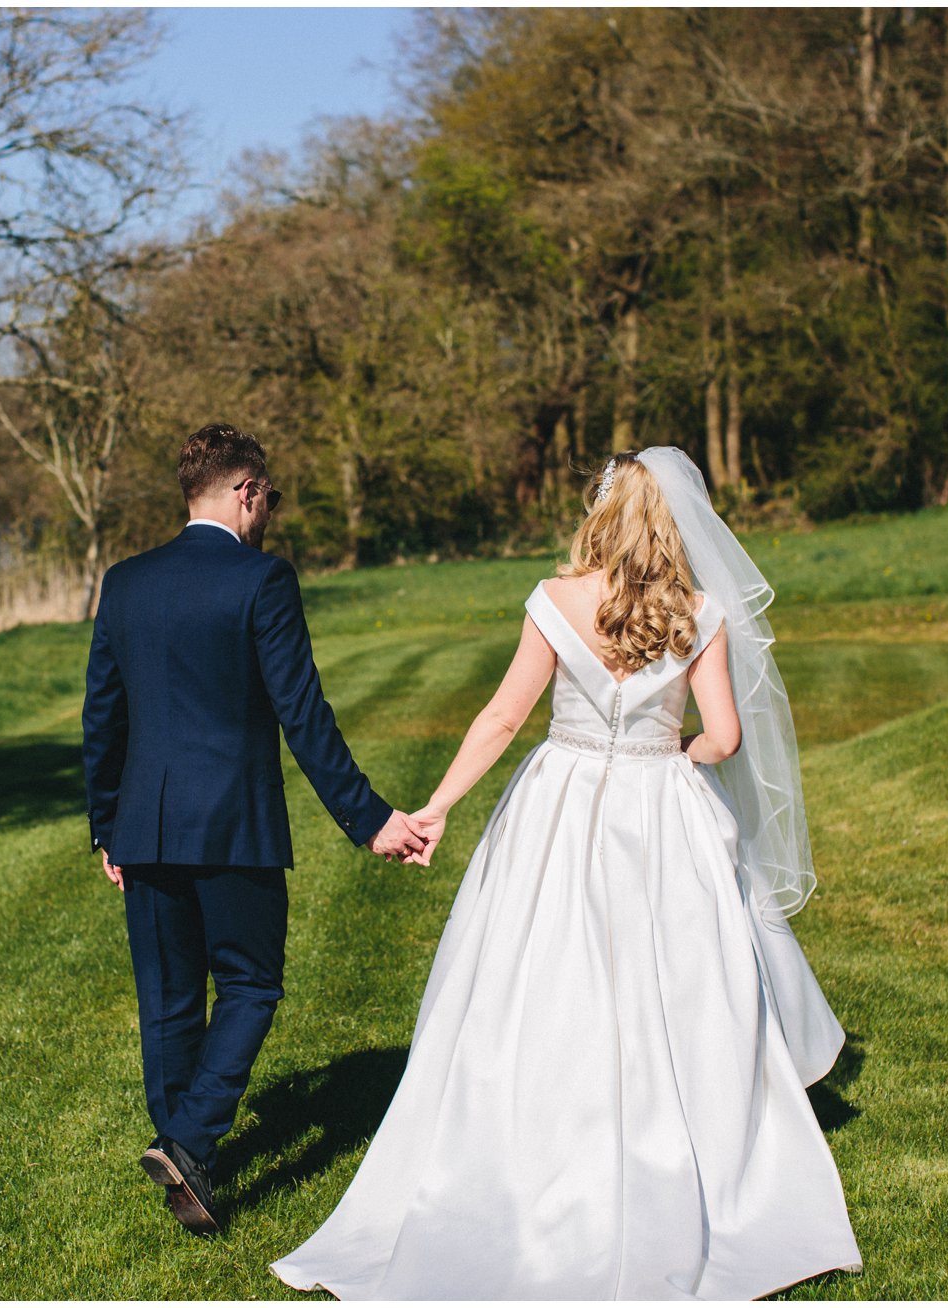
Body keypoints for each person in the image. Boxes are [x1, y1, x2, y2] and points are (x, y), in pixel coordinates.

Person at [270, 445, 864, 1299]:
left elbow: (505, 714)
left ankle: (531, 1151)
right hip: (663, 808)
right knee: (683, 987)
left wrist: (436, 806)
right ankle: (697, 1155)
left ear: (604, 512)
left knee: (537, 978)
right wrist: (678, 756)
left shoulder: (555, 602)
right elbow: (727, 739)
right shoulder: (701, 612)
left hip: (560, 801)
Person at [82, 423, 431, 1238]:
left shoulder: (125, 582)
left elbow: (105, 716)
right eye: (270, 496)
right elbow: (302, 714)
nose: (270, 510)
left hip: (145, 826)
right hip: (233, 824)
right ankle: (192, 1143)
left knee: (169, 1002)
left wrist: (108, 827)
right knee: (250, 984)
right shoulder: (262, 579)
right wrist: (369, 817)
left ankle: (186, 1165)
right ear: (245, 492)